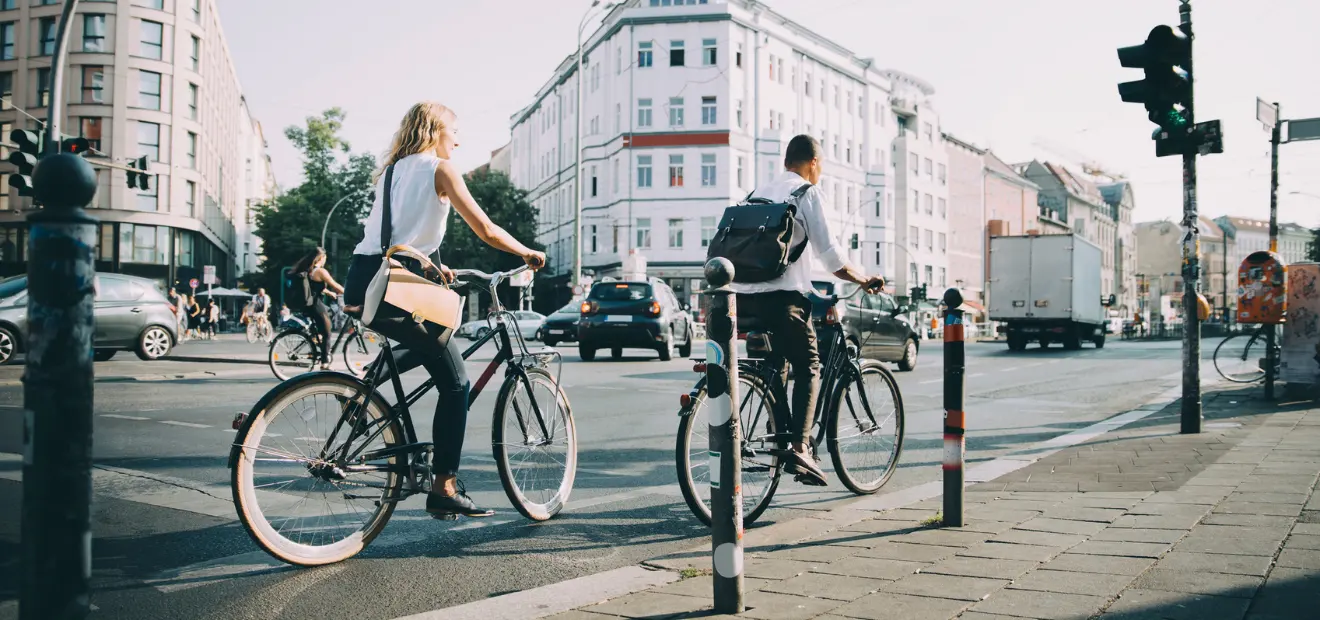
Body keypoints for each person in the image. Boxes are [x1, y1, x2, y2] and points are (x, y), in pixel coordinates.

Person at [342, 102, 545, 518]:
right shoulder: (440, 169)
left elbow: (397, 231)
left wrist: (433, 261)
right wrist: (526, 252)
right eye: (454, 129)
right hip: (398, 282)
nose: (458, 138)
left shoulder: (393, 170)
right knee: (455, 384)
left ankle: (363, 391)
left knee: (430, 345)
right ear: (435, 130)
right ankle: (444, 486)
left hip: (365, 277)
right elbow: (486, 229)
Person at [731, 134, 885, 487]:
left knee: (779, 364)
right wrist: (863, 279)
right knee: (810, 364)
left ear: (787, 160)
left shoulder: (757, 194)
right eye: (823, 166)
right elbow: (831, 257)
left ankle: (778, 428)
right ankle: (799, 446)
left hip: (741, 300)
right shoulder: (806, 193)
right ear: (813, 163)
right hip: (782, 302)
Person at [290, 247, 345, 370]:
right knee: (327, 333)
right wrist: (348, 293)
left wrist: (328, 293)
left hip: (309, 304)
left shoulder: (309, 270)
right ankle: (324, 363)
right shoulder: (320, 271)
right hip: (315, 305)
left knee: (330, 312)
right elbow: (335, 285)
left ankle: (316, 338)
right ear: (321, 258)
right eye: (325, 258)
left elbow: (313, 287)